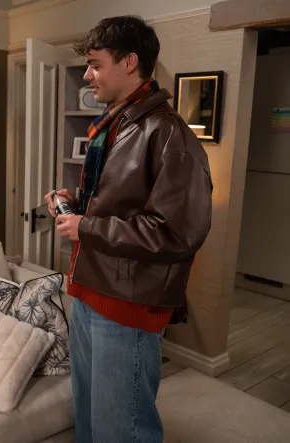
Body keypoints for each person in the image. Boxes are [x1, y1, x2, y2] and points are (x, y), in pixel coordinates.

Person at [45, 16, 212, 443]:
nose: (87, 75)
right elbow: (121, 206)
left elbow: (177, 233)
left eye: (95, 64)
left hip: (127, 304)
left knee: (121, 429)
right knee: (90, 418)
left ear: (129, 62)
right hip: (90, 288)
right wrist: (77, 207)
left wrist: (87, 227)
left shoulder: (167, 133)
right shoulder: (115, 124)